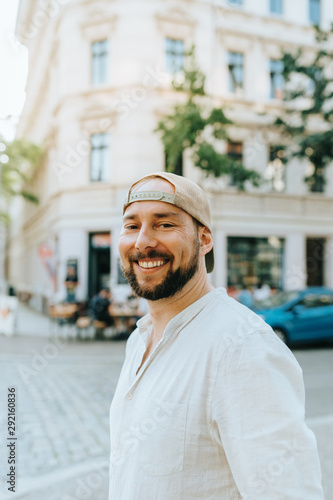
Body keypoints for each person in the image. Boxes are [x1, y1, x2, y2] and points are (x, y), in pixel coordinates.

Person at [109, 172, 323, 499]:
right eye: (132, 225)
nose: (143, 242)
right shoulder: (138, 341)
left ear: (204, 239)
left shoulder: (242, 348)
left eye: (164, 224)